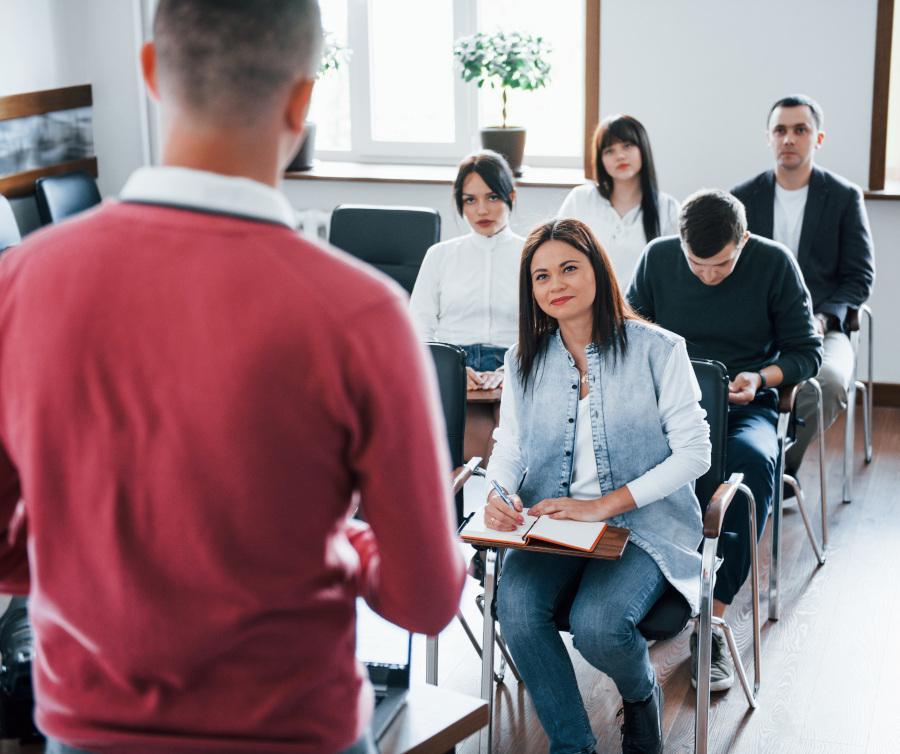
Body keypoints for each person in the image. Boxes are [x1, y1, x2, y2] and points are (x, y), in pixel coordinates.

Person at [0, 2, 465, 753]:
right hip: (292, 731)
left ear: (150, 72)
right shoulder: (364, 313)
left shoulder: (18, 282)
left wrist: (90, 551)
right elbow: (425, 598)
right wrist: (348, 543)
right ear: (303, 100)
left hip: (87, 733)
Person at [484, 218, 711, 754]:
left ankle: (640, 695)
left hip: (642, 525)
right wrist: (498, 492)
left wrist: (603, 505)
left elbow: (696, 452)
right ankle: (573, 745)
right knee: (514, 607)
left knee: (599, 625)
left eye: (569, 268)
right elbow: (509, 444)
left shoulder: (660, 350)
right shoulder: (523, 361)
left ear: (598, 271)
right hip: (554, 520)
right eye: (541, 277)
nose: (555, 285)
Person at [627, 189, 822, 693]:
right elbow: (628, 335)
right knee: (626, 462)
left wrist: (761, 377)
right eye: (697, 264)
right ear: (682, 246)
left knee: (750, 469)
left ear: (744, 240)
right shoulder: (658, 258)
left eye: (721, 264)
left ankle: (709, 624)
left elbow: (806, 352)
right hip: (666, 409)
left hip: (743, 406)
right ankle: (648, 596)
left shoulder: (774, 264)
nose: (708, 275)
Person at [732, 94, 875, 476]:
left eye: (800, 130)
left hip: (822, 326)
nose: (789, 139)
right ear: (768, 138)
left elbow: (860, 277)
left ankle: (780, 469)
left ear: (818, 139)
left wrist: (825, 319)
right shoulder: (742, 198)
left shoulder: (843, 197)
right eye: (780, 130)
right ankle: (745, 461)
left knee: (826, 383)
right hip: (758, 326)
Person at [410, 149, 523, 391]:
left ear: (510, 196)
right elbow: (419, 325)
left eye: (492, 197)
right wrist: (450, 369)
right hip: (453, 361)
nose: (481, 210)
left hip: (515, 363)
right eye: (470, 200)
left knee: (503, 423)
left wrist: (511, 370)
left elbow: (548, 329)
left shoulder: (532, 255)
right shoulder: (439, 255)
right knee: (470, 424)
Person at [557, 115, 679, 288]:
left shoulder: (668, 208)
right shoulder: (580, 199)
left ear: (643, 149)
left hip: (643, 311)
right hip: (589, 306)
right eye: (609, 151)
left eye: (627, 146)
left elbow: (673, 271)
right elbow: (557, 255)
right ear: (601, 159)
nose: (620, 156)